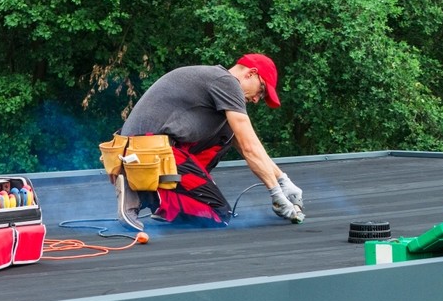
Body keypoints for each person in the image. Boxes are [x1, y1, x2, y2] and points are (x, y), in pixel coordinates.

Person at [107, 53, 304, 231]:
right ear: (250, 73)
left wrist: (283, 180)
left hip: (147, 149)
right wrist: (276, 193)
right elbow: (249, 148)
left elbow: (248, 144)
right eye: (261, 91)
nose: (257, 99)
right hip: (142, 152)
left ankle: (169, 198)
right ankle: (140, 195)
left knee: (229, 133)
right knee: (219, 214)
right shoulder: (228, 82)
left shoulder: (219, 83)